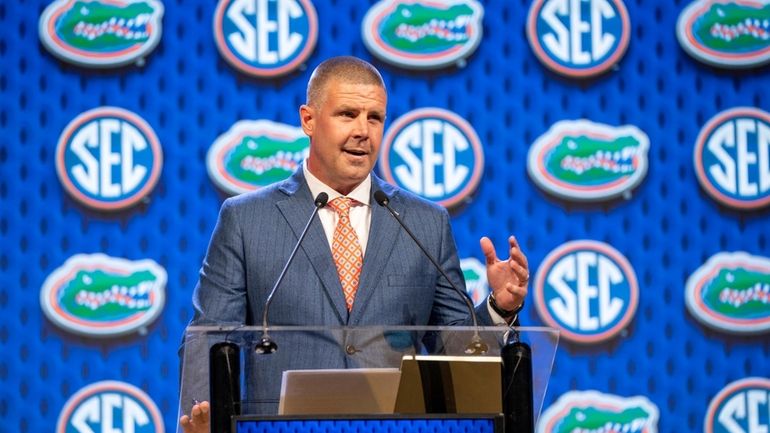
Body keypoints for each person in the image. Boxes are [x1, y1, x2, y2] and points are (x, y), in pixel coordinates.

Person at [179, 56, 529, 433]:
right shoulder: (247, 219)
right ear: (308, 120)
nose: (364, 130)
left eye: (375, 118)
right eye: (347, 114)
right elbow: (209, 340)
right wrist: (202, 417)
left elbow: (455, 350)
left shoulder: (424, 222)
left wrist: (499, 308)